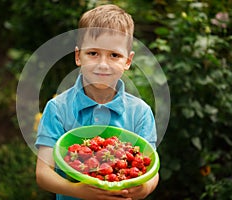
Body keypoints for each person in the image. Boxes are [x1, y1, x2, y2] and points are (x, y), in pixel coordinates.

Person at [35, 4, 159, 200]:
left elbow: (151, 169)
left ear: (127, 61)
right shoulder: (58, 109)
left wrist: (142, 189)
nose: (103, 64)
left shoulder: (140, 112)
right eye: (93, 53)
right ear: (78, 56)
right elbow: (43, 174)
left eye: (114, 55)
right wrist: (78, 191)